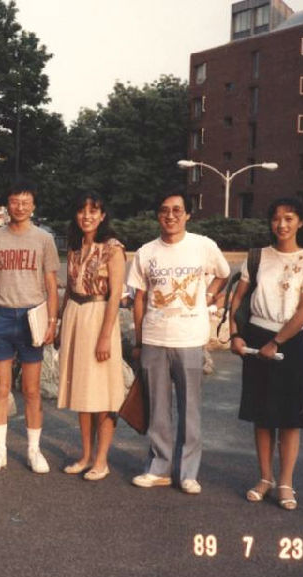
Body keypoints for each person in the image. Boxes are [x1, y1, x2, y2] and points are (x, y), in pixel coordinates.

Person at [127, 190, 230, 495]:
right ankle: (159, 468)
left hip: (189, 338)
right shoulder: (146, 252)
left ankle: (188, 473)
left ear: (187, 215)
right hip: (155, 337)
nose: (170, 216)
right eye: (164, 210)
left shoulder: (202, 246)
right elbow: (139, 299)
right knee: (158, 409)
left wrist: (208, 296)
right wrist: (139, 340)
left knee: (190, 409)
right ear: (158, 215)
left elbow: (223, 274)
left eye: (176, 210)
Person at [229, 198, 303, 511]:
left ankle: (285, 483)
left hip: (290, 342)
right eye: (276, 218)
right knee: (262, 415)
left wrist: (278, 342)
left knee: (289, 418)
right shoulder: (257, 256)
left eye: (289, 218)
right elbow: (238, 300)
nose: (282, 224)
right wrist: (236, 335)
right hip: (256, 336)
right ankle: (265, 478)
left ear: (300, 222)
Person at [0, 178, 60, 474]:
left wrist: (52, 320)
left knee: (31, 389)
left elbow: (51, 284)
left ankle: (34, 450)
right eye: (15, 201)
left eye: (26, 202)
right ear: (7, 204)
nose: (20, 207)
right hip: (1, 316)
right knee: (1, 387)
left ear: (33, 205)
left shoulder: (44, 239)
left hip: (31, 318)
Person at [55, 192, 126, 481]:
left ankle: (101, 459)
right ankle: (85, 455)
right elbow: (69, 289)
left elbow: (115, 296)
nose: (87, 216)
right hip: (75, 316)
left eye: (93, 211)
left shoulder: (113, 249)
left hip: (99, 318)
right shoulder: (74, 247)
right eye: (82, 211)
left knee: (103, 392)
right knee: (82, 391)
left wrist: (105, 336)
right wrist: (61, 325)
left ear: (102, 215)